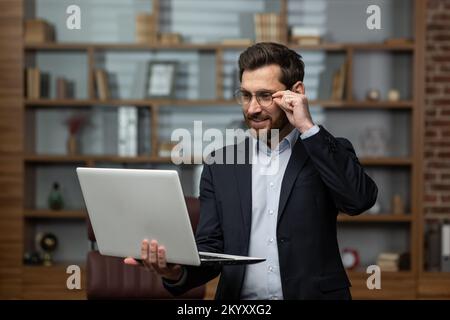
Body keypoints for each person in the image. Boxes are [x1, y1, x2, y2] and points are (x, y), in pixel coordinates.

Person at [125, 42, 378, 300]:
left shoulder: (326, 150)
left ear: (296, 92)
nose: (252, 109)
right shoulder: (220, 163)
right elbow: (211, 249)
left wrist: (307, 127)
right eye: (246, 95)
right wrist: (175, 272)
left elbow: (359, 200)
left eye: (265, 96)